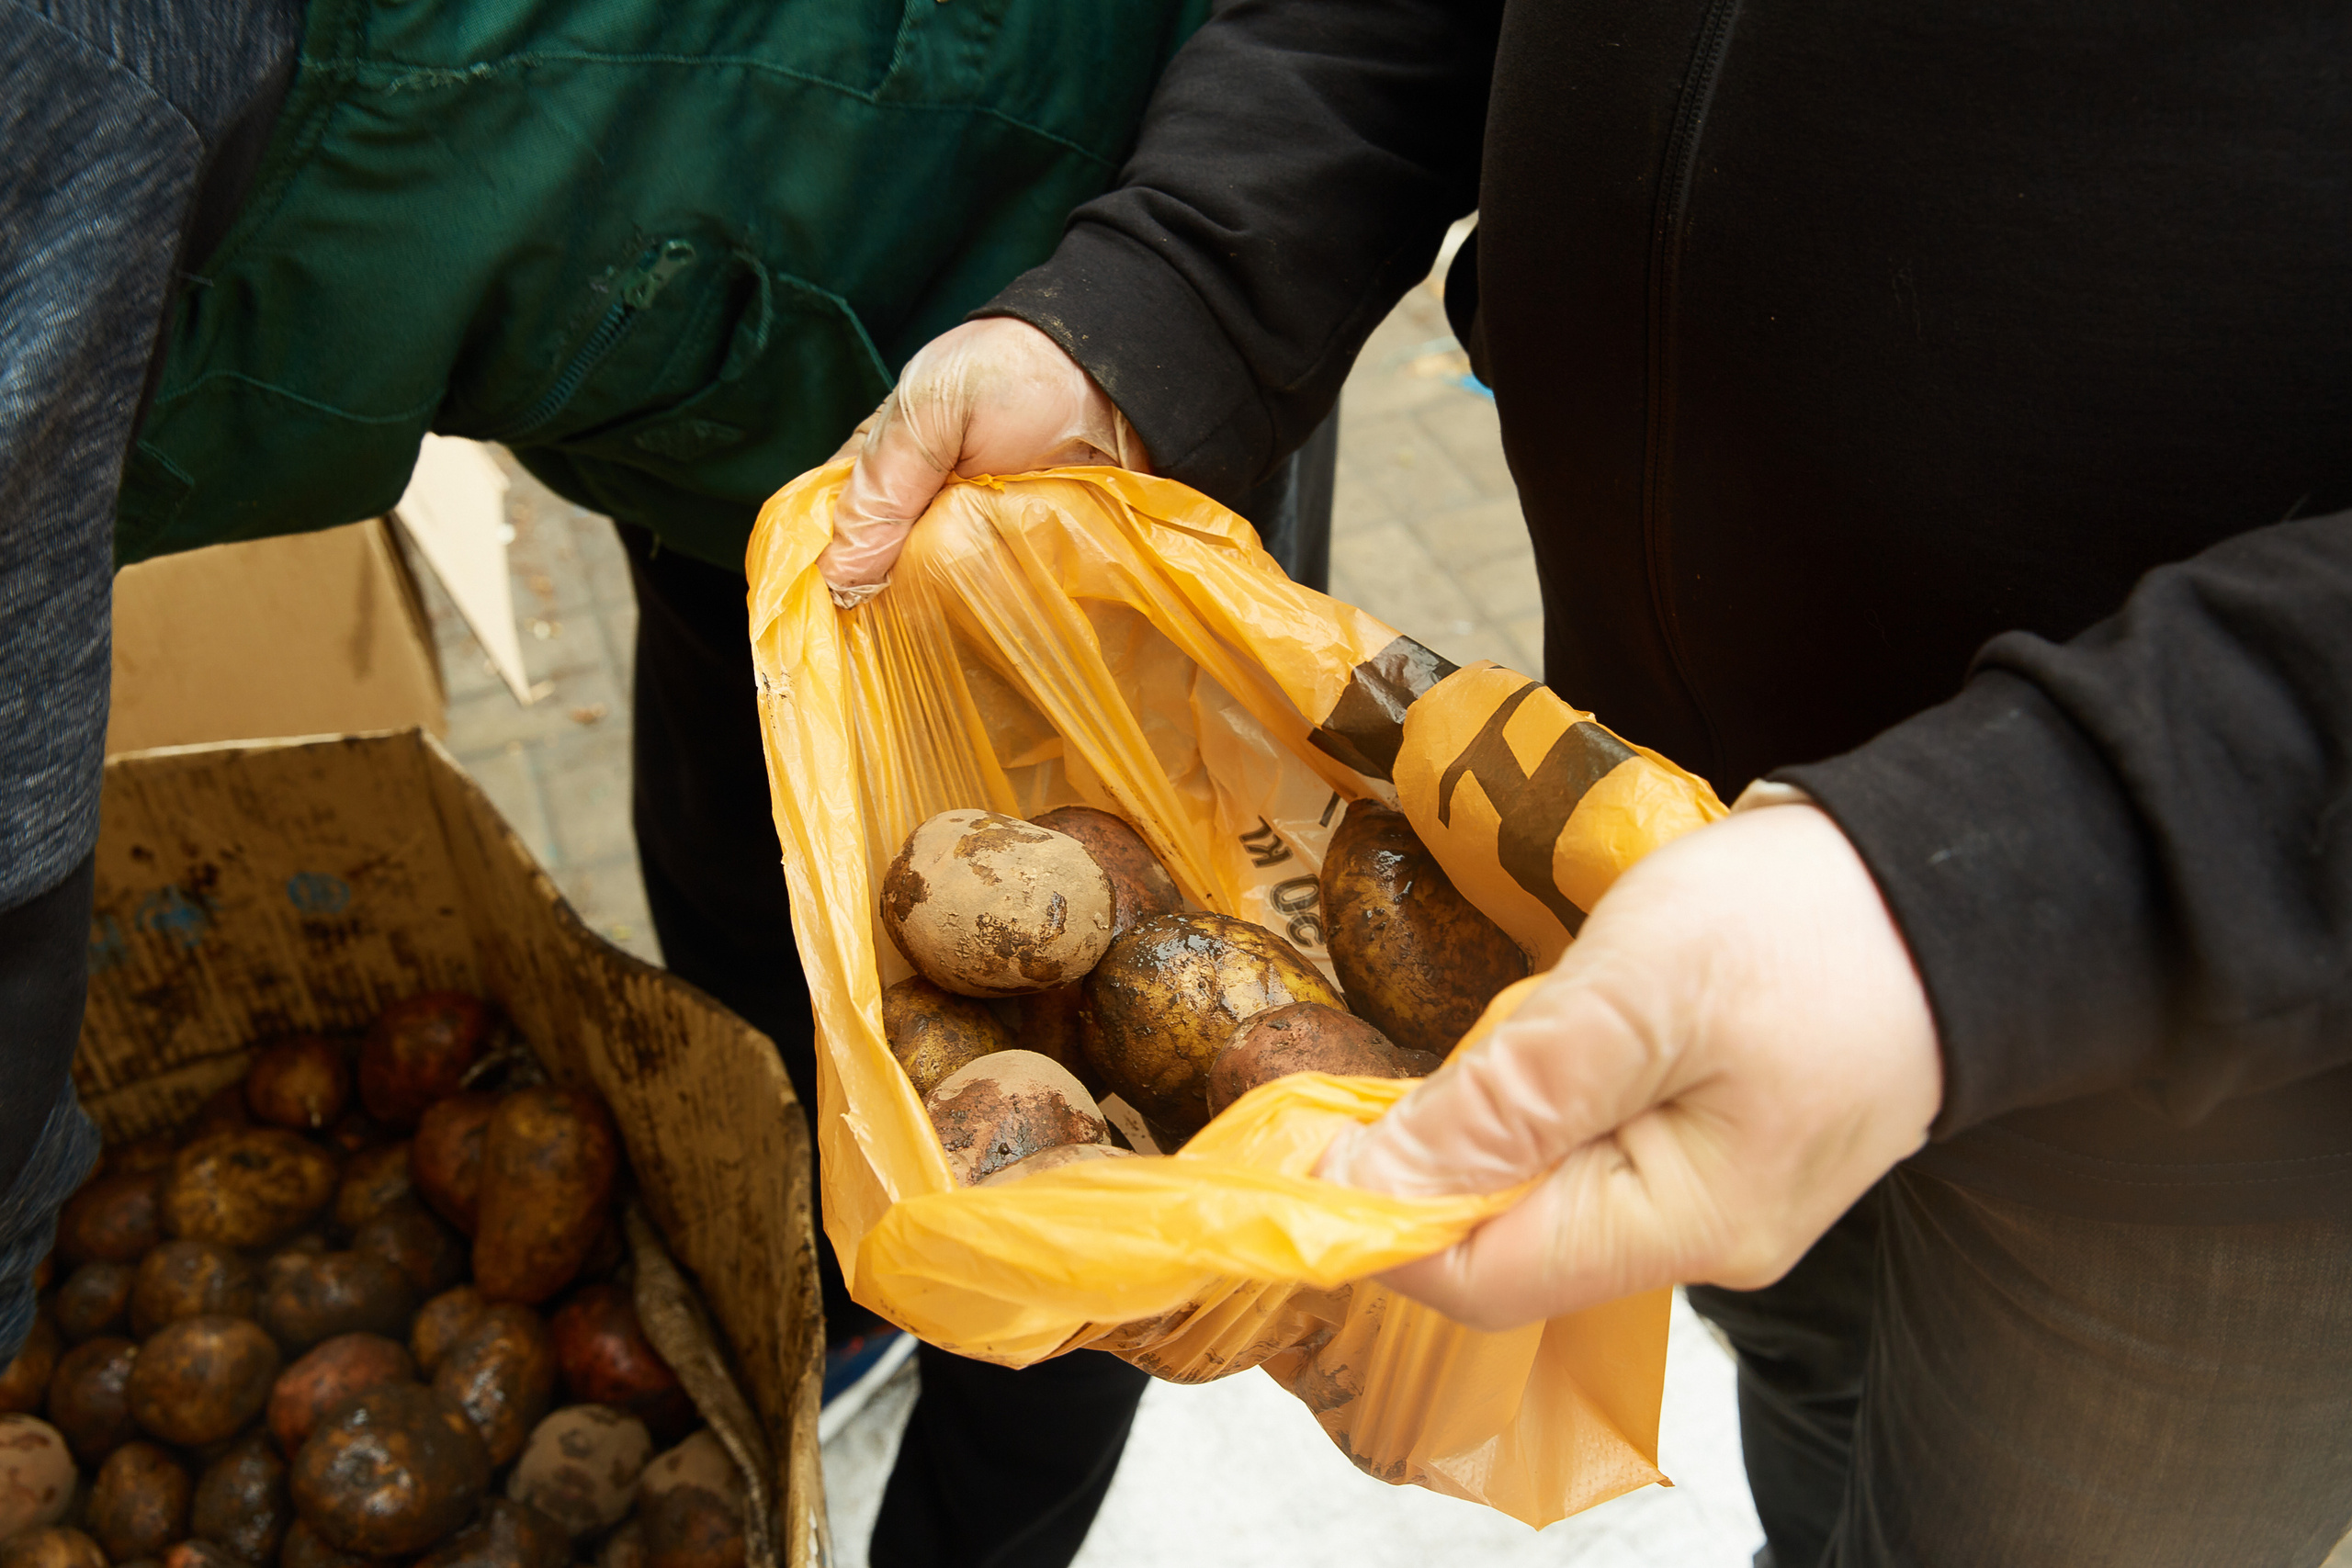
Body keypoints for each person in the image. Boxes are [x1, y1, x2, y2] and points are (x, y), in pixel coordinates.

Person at [828, 3, 2352, 1563]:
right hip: (1664, 865)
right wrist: (1163, 297)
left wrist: (2014, 868)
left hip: (2231, 1071)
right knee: (1809, 1379)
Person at [1, 0, 1331, 1562]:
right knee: (744, 886)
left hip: (1051, 274)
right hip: (690, 332)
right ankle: (823, 1291)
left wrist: (1154, 312)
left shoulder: (62, 80)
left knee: (1108, 1163)